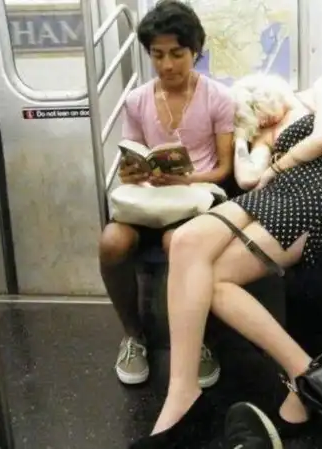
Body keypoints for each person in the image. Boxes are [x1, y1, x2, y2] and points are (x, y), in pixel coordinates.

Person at [128, 72, 322, 448]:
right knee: (188, 244)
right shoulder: (264, 134)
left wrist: (277, 166)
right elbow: (249, 179)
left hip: (319, 195)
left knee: (204, 270)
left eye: (257, 109)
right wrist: (239, 137)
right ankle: (187, 392)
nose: (263, 118)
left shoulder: (320, 91)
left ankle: (300, 376)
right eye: (253, 117)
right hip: (274, 194)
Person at [99, 0, 234, 388]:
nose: (167, 65)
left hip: (196, 199)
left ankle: (196, 339)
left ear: (195, 51)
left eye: (177, 53)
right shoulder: (137, 100)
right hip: (151, 200)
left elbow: (223, 170)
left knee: (178, 242)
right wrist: (131, 172)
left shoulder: (219, 98)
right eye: (157, 55)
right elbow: (133, 157)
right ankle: (134, 335)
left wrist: (185, 181)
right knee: (112, 242)